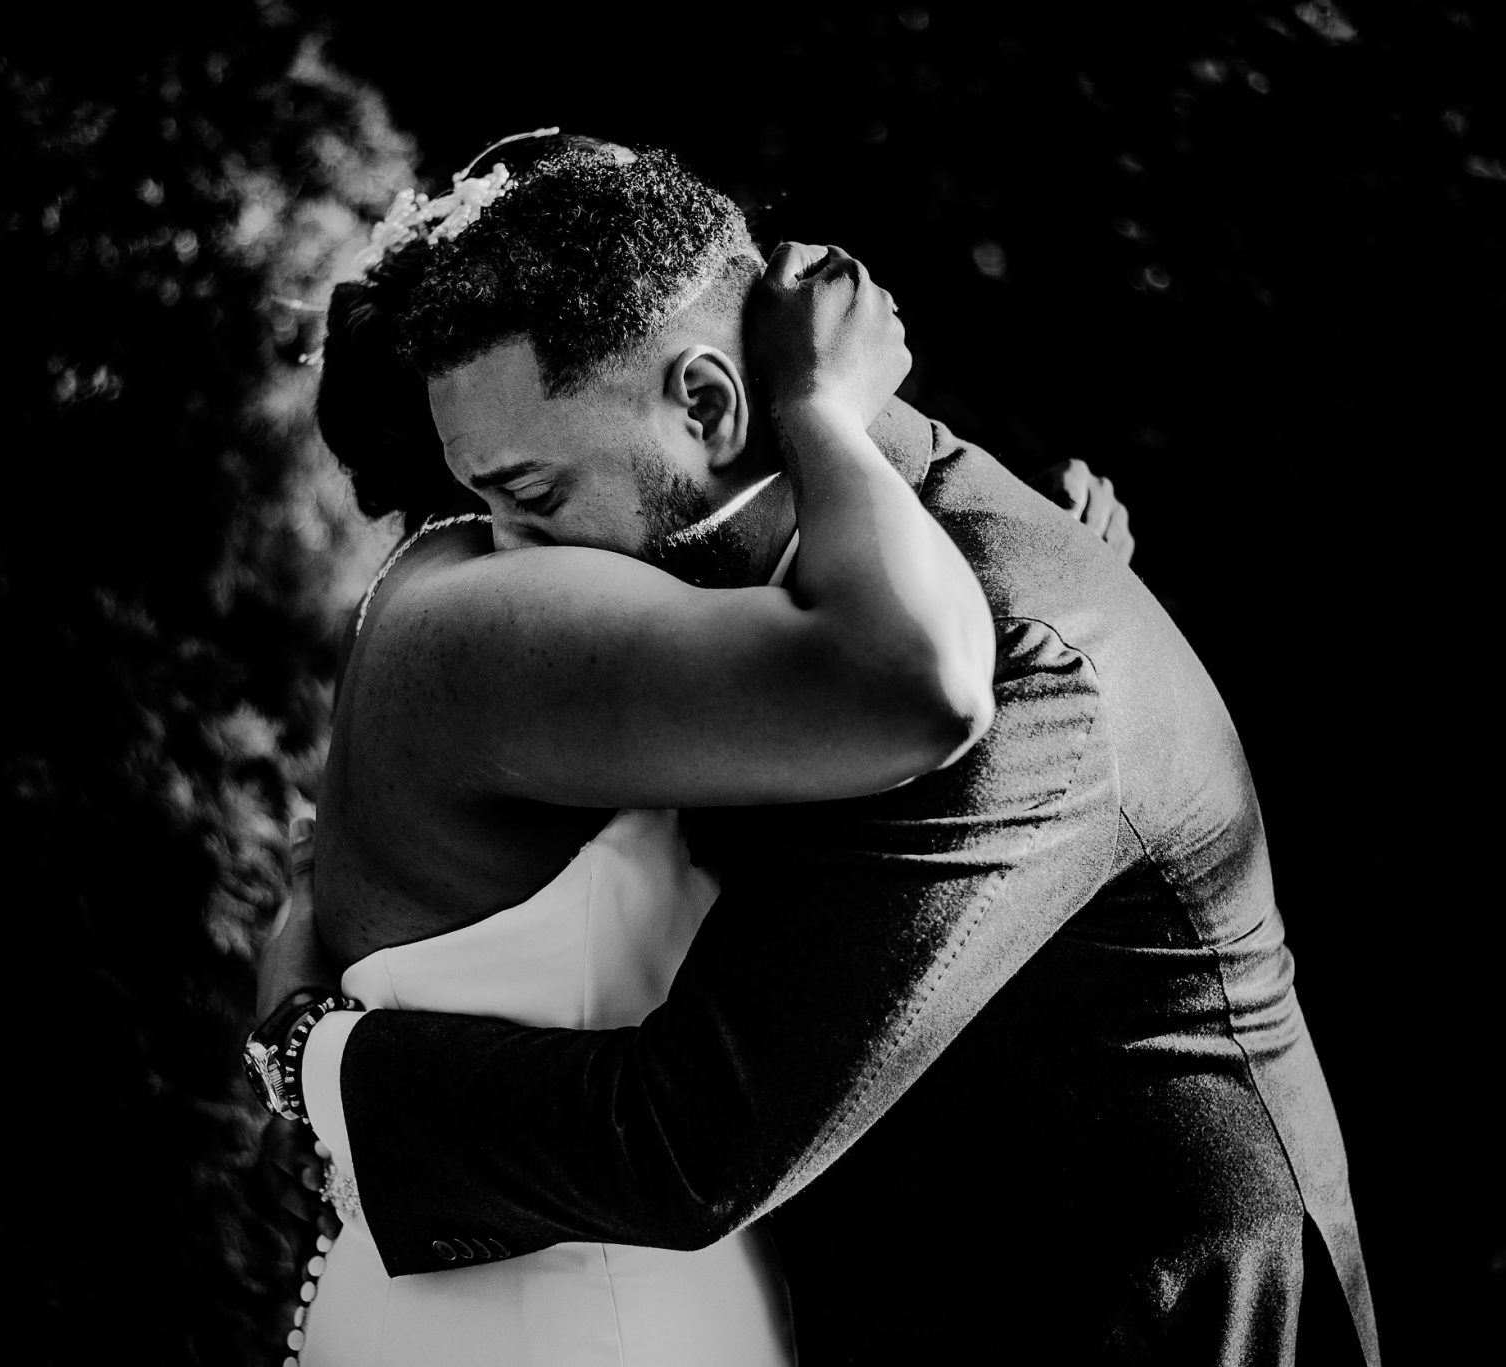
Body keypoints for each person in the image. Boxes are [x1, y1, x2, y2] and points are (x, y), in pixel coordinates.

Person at [258, 136, 1380, 1363]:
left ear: (707, 404)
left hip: (1123, 1307)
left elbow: (689, 1145)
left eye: (537, 493)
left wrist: (312, 1056)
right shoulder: (783, 607)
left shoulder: (1011, 658)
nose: (515, 556)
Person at [247, 133, 1012, 1365]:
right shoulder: (498, 617)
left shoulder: (474, 604)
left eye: (532, 497)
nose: (514, 539)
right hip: (566, 1320)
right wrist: (824, 406)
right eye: (504, 493)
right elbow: (915, 681)